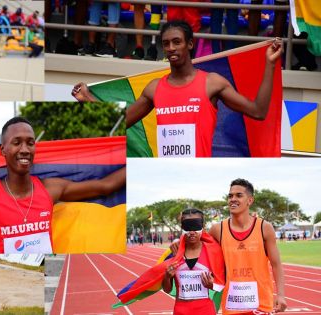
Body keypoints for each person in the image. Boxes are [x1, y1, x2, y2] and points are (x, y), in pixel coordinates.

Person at [72, 20, 283, 157]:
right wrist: (88, 98)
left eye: (177, 42)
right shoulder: (155, 88)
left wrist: (271, 64)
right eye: (166, 44)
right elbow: (119, 123)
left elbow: (258, 111)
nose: (171, 48)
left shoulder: (212, 82)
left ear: (190, 44)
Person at [0, 117, 126, 254]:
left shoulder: (51, 189)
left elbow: (105, 186)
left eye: (30, 143)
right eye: (17, 142)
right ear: (2, 149)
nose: (24, 149)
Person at [171, 179, 286, 314]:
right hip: (231, 305)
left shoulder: (264, 228)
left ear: (250, 200)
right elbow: (195, 241)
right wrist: (179, 239)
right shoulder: (218, 229)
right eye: (230, 196)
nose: (233, 199)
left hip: (261, 305)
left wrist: (281, 295)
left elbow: (276, 264)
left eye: (239, 195)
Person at [162, 208, 224, 315]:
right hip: (181, 311)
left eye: (196, 226)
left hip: (206, 311)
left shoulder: (213, 252)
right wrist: (167, 277)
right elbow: (167, 289)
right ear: (182, 227)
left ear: (203, 227)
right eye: (187, 227)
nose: (192, 232)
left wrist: (212, 285)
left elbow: (221, 284)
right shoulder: (174, 253)